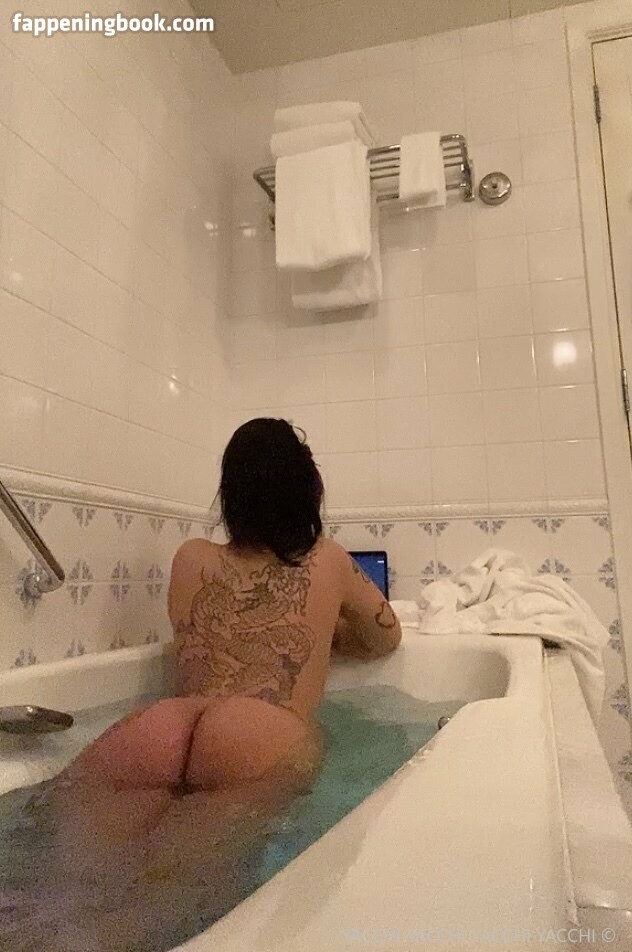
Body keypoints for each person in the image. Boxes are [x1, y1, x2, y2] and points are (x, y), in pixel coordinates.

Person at [2, 419, 402, 950]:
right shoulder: (329, 558)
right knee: (162, 901)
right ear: (308, 492)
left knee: (57, 889)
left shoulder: (190, 556)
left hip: (162, 727)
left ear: (230, 494)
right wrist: (323, 633)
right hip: (259, 733)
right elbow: (386, 637)